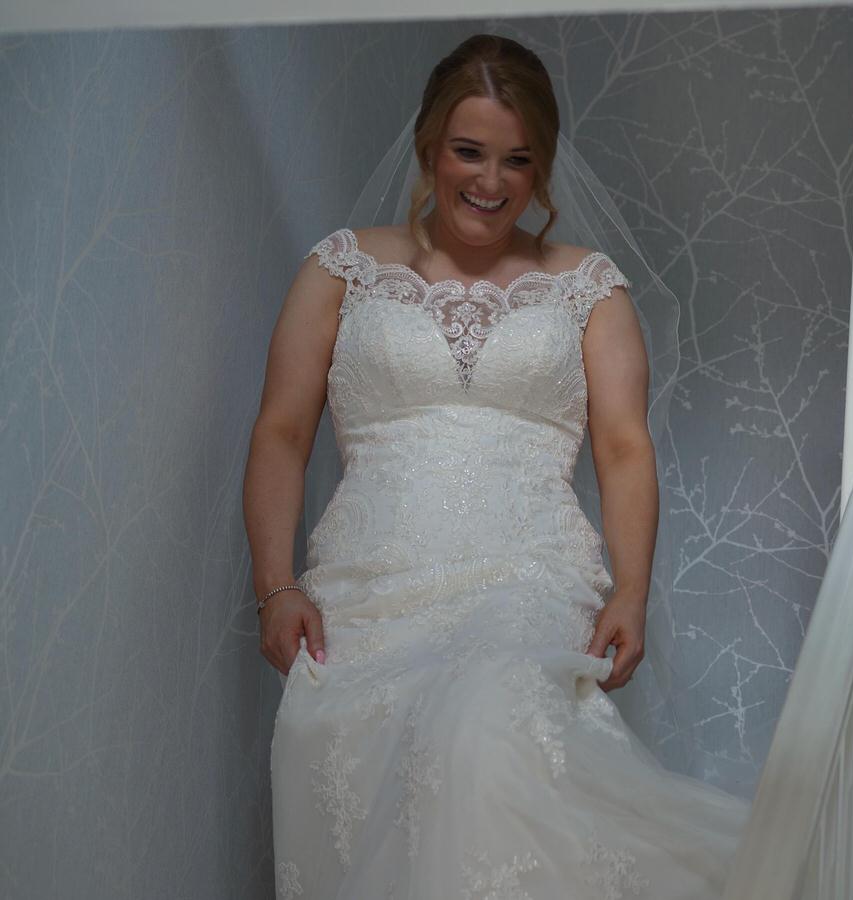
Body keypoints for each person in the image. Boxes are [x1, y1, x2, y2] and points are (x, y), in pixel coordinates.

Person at [242, 33, 749, 898]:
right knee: (349, 773)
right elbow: (282, 433)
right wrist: (276, 585)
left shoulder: (589, 287)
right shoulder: (341, 269)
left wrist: (631, 591)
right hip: (367, 589)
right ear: (429, 146)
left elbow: (624, 447)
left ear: (543, 165)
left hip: (529, 574)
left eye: (518, 159)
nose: (491, 181)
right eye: (469, 151)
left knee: (483, 730)